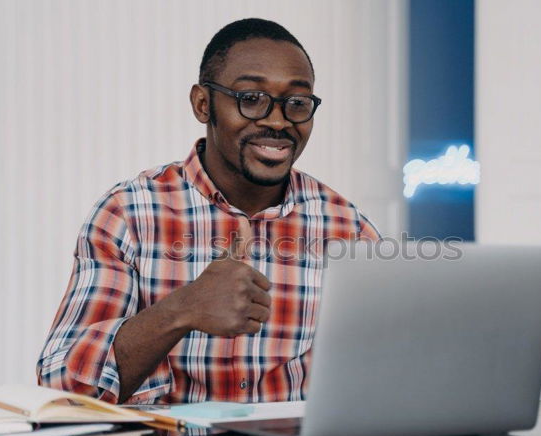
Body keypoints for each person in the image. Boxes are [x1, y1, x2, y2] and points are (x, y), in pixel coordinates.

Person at [37, 18, 380, 405]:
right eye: (251, 98)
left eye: (297, 103)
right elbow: (61, 387)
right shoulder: (129, 214)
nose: (278, 120)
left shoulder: (347, 228)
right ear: (203, 104)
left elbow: (388, 375)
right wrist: (182, 310)